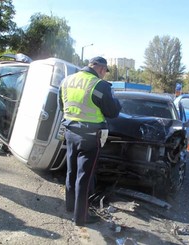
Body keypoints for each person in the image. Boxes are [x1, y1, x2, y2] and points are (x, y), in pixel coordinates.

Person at [58, 56, 121, 226]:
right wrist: (117, 102)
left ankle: (70, 207)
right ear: (101, 69)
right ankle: (81, 217)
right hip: (90, 136)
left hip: (70, 132)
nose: (104, 75)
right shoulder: (99, 85)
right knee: (84, 177)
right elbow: (112, 111)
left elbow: (61, 106)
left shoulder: (67, 81)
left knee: (71, 172)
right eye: (105, 72)